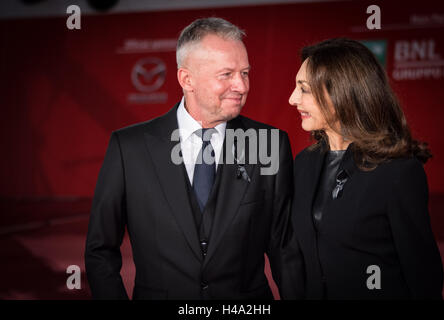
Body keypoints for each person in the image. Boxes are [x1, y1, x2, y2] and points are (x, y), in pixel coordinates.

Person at [85, 17, 302, 300]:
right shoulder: (129, 148)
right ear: (186, 79)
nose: (241, 85)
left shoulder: (271, 143)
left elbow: (284, 249)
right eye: (226, 74)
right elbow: (100, 250)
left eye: (245, 73)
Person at [288, 38, 444, 299]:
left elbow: (423, 275)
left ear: (342, 92)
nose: (293, 99)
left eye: (304, 89)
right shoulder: (304, 163)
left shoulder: (398, 172)